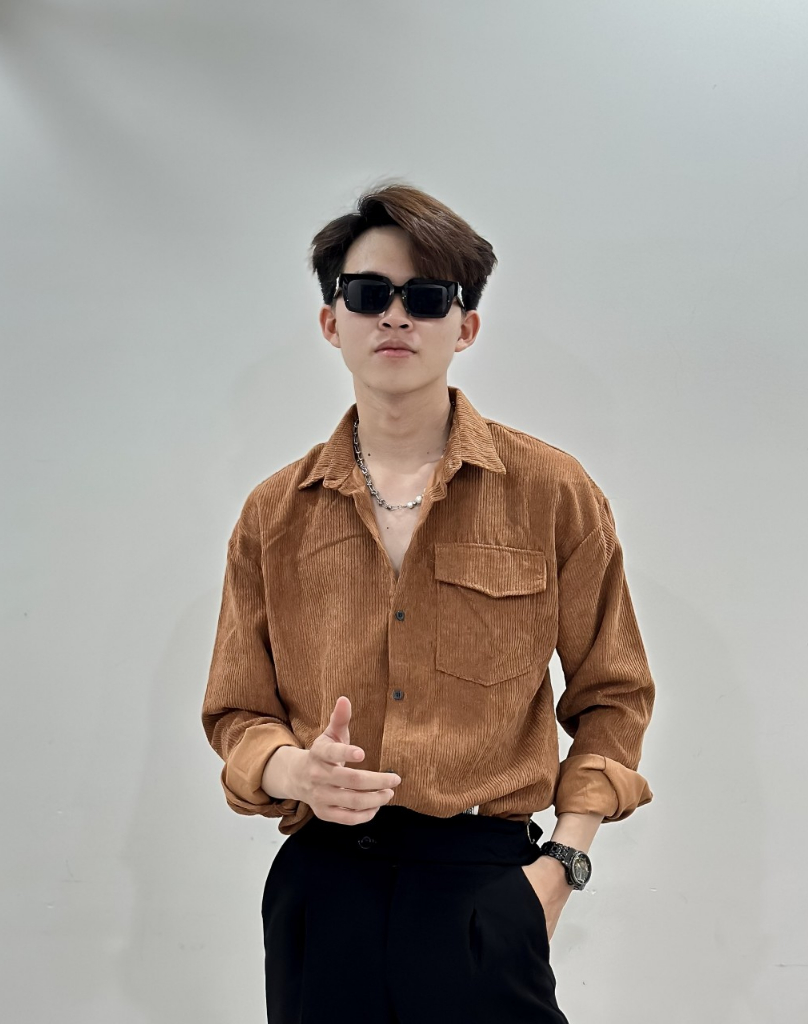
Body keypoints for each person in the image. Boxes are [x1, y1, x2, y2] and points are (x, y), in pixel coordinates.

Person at [201, 181, 656, 1024]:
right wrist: (295, 772)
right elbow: (236, 711)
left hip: (486, 885)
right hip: (324, 891)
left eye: (427, 297)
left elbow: (614, 693)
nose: (395, 316)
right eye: (369, 294)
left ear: (465, 326)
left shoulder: (552, 492)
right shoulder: (274, 514)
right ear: (332, 321)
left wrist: (562, 866)